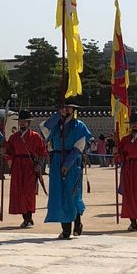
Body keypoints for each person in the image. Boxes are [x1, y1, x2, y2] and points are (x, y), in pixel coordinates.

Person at [41, 99, 93, 239]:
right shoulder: (55, 124)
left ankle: (77, 222)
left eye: (69, 108)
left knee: (72, 193)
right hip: (57, 161)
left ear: (73, 110)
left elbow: (79, 147)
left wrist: (68, 163)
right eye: (64, 108)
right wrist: (58, 115)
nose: (66, 110)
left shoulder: (79, 126)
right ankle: (65, 229)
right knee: (59, 194)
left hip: (72, 162)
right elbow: (45, 127)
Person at [5, 116, 47, 228]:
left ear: (28, 123)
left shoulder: (35, 136)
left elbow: (43, 152)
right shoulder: (14, 137)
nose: (23, 123)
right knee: (19, 191)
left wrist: (39, 165)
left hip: (30, 165)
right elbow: (8, 152)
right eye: (21, 121)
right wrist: (8, 159)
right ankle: (26, 217)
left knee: (29, 191)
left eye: (25, 121)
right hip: (17, 165)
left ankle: (28, 217)